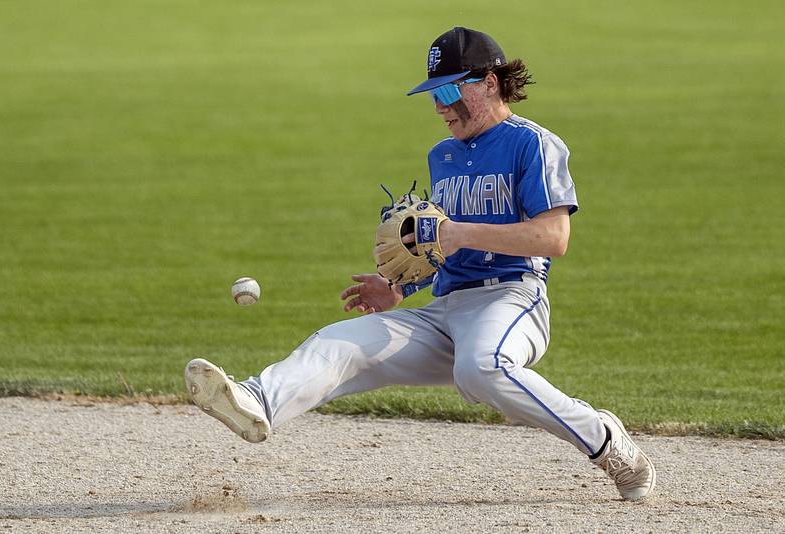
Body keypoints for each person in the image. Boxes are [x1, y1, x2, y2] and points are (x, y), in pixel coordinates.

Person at [185, 26, 656, 501]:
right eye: (434, 93)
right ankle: (255, 399)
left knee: (481, 367)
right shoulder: (442, 155)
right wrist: (399, 288)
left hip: (512, 298)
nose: (439, 106)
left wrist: (458, 232)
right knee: (342, 342)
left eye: (449, 90)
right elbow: (439, 247)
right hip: (446, 308)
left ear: (489, 83)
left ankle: (606, 442)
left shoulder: (532, 144)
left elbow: (554, 237)